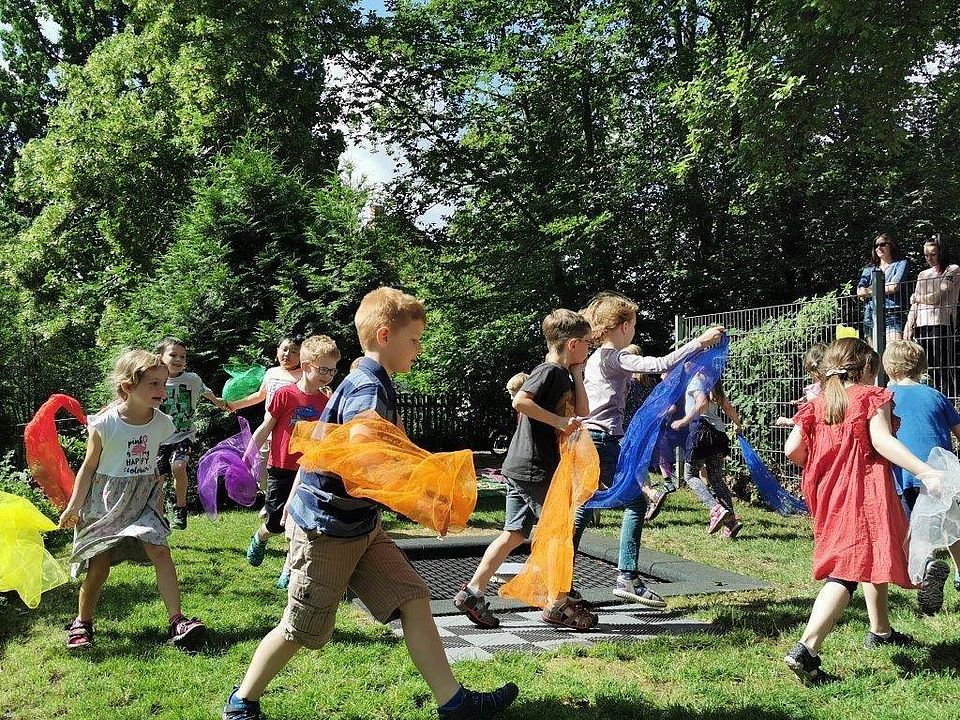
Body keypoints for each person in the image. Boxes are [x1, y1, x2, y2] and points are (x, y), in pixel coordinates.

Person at [223, 287, 518, 720]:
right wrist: (415, 488)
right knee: (301, 630)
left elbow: (334, 443)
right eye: (414, 340)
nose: (418, 350)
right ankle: (242, 702)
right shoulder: (366, 385)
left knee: (413, 597)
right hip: (328, 529)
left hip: (359, 523)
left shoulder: (370, 380)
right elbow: (364, 446)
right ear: (384, 334)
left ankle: (453, 703)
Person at [782, 338, 941, 684]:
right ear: (868, 368)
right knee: (846, 571)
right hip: (862, 491)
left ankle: (881, 630)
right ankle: (806, 649)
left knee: (867, 556)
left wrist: (822, 464)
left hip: (827, 492)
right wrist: (925, 471)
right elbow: (883, 441)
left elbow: (792, 448)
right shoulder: (871, 396)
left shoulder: (818, 402)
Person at [571, 292, 726, 606]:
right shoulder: (614, 356)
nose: (635, 330)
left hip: (588, 439)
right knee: (636, 504)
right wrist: (701, 341)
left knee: (583, 507)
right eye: (634, 324)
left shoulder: (595, 357)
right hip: (603, 441)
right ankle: (626, 576)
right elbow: (659, 363)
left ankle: (561, 577)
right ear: (624, 325)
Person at [452, 309, 598, 630]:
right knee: (560, 534)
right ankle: (557, 605)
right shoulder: (547, 372)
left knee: (514, 533)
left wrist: (577, 372)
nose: (591, 348)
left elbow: (584, 411)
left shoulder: (564, 373)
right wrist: (560, 421)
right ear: (573, 343)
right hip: (535, 467)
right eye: (588, 343)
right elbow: (521, 401)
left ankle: (472, 592)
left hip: (521, 466)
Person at [58, 350, 206, 650]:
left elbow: (156, 462)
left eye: (163, 384)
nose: (162, 391)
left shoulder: (163, 423)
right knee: (99, 566)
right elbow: (88, 468)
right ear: (128, 387)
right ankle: (82, 623)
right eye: (153, 384)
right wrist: (74, 506)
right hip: (105, 501)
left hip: (143, 498)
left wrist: (160, 495)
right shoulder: (105, 424)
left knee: (160, 550)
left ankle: (177, 620)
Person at [244, 335, 340, 589]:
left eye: (332, 370)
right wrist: (250, 452)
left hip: (309, 470)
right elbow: (267, 427)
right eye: (323, 369)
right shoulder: (285, 395)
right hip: (281, 467)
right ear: (306, 366)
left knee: (298, 521)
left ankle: (289, 567)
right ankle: (261, 537)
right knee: (276, 521)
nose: (328, 375)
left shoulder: (326, 401)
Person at [883, 339, 960, 614]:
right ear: (922, 367)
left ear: (888, 367)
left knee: (916, 531)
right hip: (941, 474)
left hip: (905, 476)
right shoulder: (936, 396)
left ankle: (927, 569)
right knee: (951, 526)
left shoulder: (884, 397)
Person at [155, 336, 231, 530]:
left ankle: (180, 509)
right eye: (173, 355)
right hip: (159, 438)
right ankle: (158, 515)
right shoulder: (154, 381)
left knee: (178, 467)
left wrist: (220, 403)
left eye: (183, 356)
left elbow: (207, 392)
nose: (179, 359)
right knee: (158, 477)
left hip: (184, 435)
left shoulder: (192, 379)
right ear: (160, 357)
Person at [671, 375, 744, 538]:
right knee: (716, 477)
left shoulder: (696, 380)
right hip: (718, 434)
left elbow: (701, 403)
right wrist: (738, 424)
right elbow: (727, 406)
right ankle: (731, 521)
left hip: (701, 432)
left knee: (689, 475)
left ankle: (715, 509)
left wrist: (683, 421)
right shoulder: (713, 380)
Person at [905, 235, 960, 398]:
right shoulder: (922, 275)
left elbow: (937, 296)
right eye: (926, 255)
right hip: (922, 324)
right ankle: (937, 397)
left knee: (943, 366)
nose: (929, 258)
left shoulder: (953, 270)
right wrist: (909, 324)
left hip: (942, 323)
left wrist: (917, 298)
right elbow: (915, 304)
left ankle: (950, 399)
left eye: (933, 254)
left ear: (941, 253)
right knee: (929, 367)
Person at [856, 233, 909, 344]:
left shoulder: (901, 264)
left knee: (893, 352)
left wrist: (869, 290)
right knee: (872, 355)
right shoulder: (869, 269)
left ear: (891, 246)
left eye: (882, 244)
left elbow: (895, 286)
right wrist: (882, 289)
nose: (879, 248)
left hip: (892, 313)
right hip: (870, 314)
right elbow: (860, 291)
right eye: (876, 246)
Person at [775, 343, 827, 427]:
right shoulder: (838, 385)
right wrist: (802, 400)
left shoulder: (813, 390)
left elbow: (809, 413)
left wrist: (790, 421)